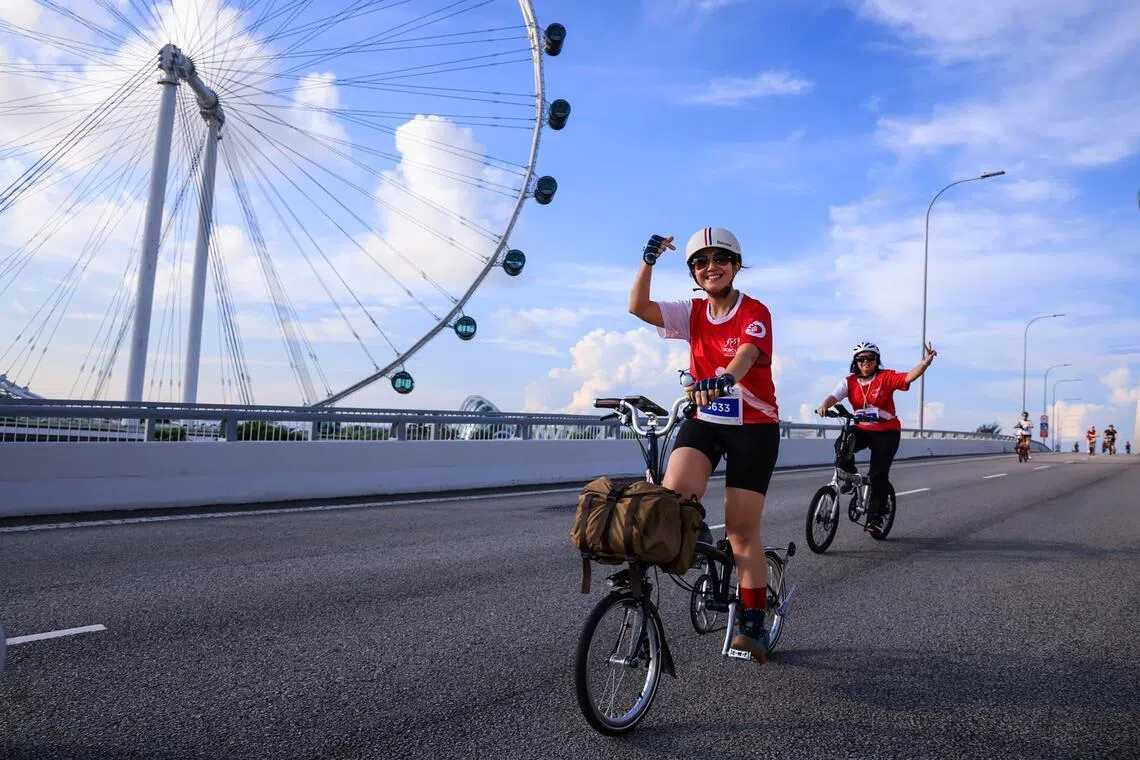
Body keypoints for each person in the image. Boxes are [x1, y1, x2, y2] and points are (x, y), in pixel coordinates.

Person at [630, 227, 780, 663]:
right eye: (700, 262)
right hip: (706, 420)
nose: (710, 267)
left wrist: (725, 378)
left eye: (720, 259)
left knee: (741, 532)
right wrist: (649, 260)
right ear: (694, 273)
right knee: (673, 500)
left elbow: (747, 354)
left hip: (753, 427)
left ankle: (754, 626)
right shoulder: (692, 312)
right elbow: (638, 307)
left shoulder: (754, 310)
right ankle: (703, 535)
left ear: (735, 265)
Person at [816, 340, 937, 535]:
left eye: (869, 358)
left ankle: (876, 517)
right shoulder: (850, 381)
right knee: (842, 444)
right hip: (863, 429)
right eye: (860, 359)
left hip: (886, 432)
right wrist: (824, 405)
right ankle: (850, 476)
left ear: (876, 360)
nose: (865, 362)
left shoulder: (885, 377)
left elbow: (907, 378)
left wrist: (925, 363)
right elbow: (834, 396)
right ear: (855, 362)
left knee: (877, 475)